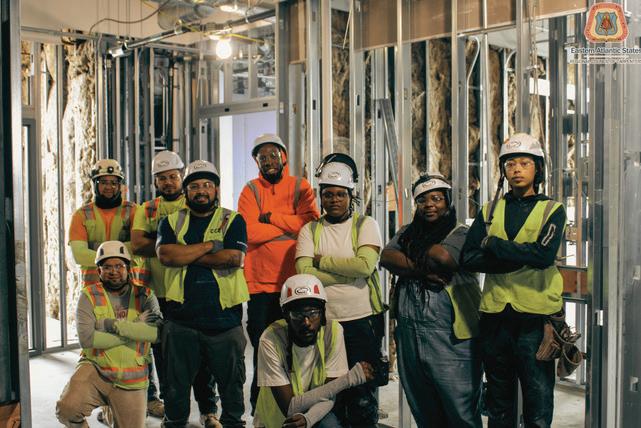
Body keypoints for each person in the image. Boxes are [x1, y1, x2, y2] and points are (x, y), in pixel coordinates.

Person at [461, 133, 567, 428]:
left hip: (535, 320)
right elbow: (468, 258)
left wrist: (493, 245)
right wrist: (521, 256)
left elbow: (543, 256)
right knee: (498, 401)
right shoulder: (489, 210)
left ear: (538, 168)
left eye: (524, 163)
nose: (516, 169)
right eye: (510, 164)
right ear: (503, 170)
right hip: (495, 318)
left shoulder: (552, 210)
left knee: (538, 400)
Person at [380, 173, 482, 427]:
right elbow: (387, 257)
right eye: (422, 200)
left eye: (437, 198)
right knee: (423, 407)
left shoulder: (461, 232)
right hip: (410, 333)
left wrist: (409, 253)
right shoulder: (407, 231)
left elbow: (443, 258)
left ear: (447, 201)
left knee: (460, 410)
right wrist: (422, 271)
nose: (429, 205)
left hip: (451, 337)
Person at [157, 160, 249, 428]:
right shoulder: (170, 221)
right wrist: (210, 245)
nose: (201, 191)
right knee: (175, 389)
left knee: (232, 388)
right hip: (180, 321)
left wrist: (185, 254)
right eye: (195, 186)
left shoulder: (232, 219)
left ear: (216, 189)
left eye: (207, 185)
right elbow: (166, 256)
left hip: (225, 321)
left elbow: (233, 258)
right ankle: (175, 423)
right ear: (185, 191)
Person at [295, 153, 385, 427]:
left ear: (350, 195)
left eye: (340, 194)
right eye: (328, 194)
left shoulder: (366, 225)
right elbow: (304, 273)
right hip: (325, 323)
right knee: (329, 391)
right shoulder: (310, 230)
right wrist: (347, 270)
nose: (334, 200)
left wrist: (322, 261)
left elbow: (364, 266)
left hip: (362, 321)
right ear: (321, 197)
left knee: (363, 395)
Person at [131, 151, 220, 426]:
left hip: (191, 291)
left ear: (182, 176)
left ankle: (208, 410)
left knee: (203, 354)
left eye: (172, 176)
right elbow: (137, 245)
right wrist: (176, 249)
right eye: (162, 178)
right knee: (164, 357)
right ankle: (172, 411)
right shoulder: (147, 209)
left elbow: (210, 242)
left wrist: (165, 245)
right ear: (155, 182)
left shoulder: (195, 201)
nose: (168, 182)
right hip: (158, 294)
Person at [238, 133, 320, 411]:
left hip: (295, 284)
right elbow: (248, 231)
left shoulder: (300, 186)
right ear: (257, 162)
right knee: (263, 350)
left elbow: (310, 222)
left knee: (297, 350)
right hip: (260, 286)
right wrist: (289, 229)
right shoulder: (251, 190)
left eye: (273, 155)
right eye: (262, 157)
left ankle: (296, 407)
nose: (269, 161)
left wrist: (272, 218)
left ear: (284, 157)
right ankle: (261, 409)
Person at [67, 159, 147, 423]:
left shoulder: (134, 211)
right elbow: (79, 254)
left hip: (128, 291)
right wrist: (120, 253)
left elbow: (139, 246)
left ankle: (146, 397)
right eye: (103, 182)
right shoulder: (82, 215)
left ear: (121, 185)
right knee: (98, 346)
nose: (109, 187)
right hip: (96, 295)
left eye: (114, 182)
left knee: (136, 348)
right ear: (95, 184)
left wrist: (99, 252)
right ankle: (103, 400)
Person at [56, 241, 162, 428]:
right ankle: (109, 409)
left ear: (128, 268)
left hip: (131, 380)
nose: (114, 271)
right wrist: (136, 328)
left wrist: (109, 325)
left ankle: (109, 412)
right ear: (99, 271)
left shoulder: (145, 296)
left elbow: (156, 334)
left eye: (119, 266)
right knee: (67, 409)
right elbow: (87, 339)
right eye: (107, 267)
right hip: (96, 370)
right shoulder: (89, 296)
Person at [255, 274, 375, 428]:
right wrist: (348, 379)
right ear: (286, 316)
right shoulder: (270, 339)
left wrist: (308, 419)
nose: (306, 322)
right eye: (297, 315)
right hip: (277, 422)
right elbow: (290, 407)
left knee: (330, 424)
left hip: (315, 413)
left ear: (322, 313)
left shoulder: (333, 332)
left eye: (313, 313)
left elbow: (331, 394)